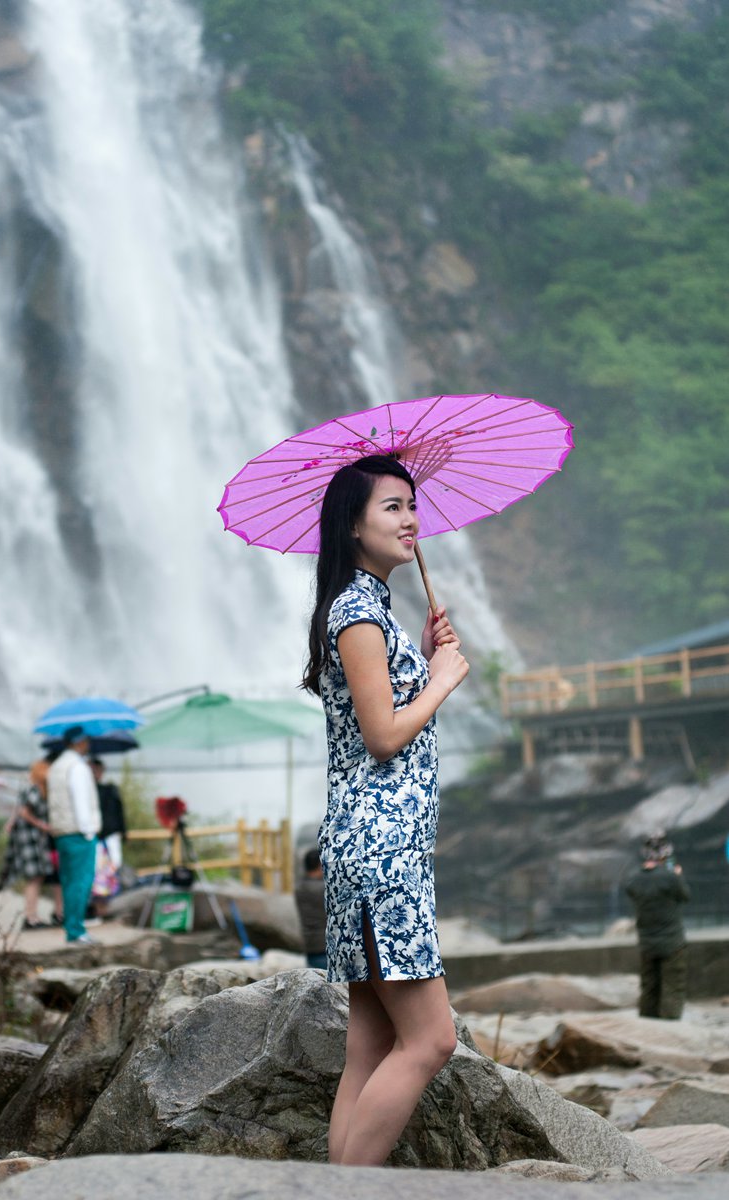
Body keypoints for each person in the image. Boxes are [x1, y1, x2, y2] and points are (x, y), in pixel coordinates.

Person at [302, 453, 469, 1167]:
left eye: (413, 505)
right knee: (432, 1041)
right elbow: (383, 735)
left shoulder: (369, 610)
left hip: (367, 846)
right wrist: (441, 680)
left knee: (369, 1048)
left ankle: (333, 1188)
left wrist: (423, 654)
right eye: (393, 507)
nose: (412, 520)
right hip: (381, 850)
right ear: (352, 527)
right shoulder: (357, 614)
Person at [625, 832, 690, 1020]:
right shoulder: (671, 878)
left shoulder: (634, 880)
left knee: (649, 988)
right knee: (673, 989)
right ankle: (669, 1032)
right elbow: (685, 896)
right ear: (665, 853)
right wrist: (678, 876)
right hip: (673, 943)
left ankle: (647, 1028)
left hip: (647, 943)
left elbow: (634, 892)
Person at [47, 725, 101, 944]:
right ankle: (76, 930)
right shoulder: (78, 767)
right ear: (80, 742)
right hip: (79, 832)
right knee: (81, 881)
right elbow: (81, 802)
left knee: (69, 881)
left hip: (61, 832)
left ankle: (72, 928)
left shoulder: (57, 766)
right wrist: (88, 831)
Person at [0, 757, 63, 930]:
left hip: (34, 839)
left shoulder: (40, 790)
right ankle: (30, 917)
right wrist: (42, 825)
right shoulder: (35, 790)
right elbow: (24, 812)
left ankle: (32, 915)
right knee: (34, 878)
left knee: (37, 877)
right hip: (29, 839)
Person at [90, 758, 126, 870]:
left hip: (110, 834)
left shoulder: (111, 790)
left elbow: (119, 811)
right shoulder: (90, 791)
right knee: (96, 866)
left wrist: (123, 830)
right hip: (95, 835)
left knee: (115, 864)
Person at [295, 847, 327, 970]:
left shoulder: (300, 887)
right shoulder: (322, 889)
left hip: (310, 946)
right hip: (325, 947)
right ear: (320, 865)